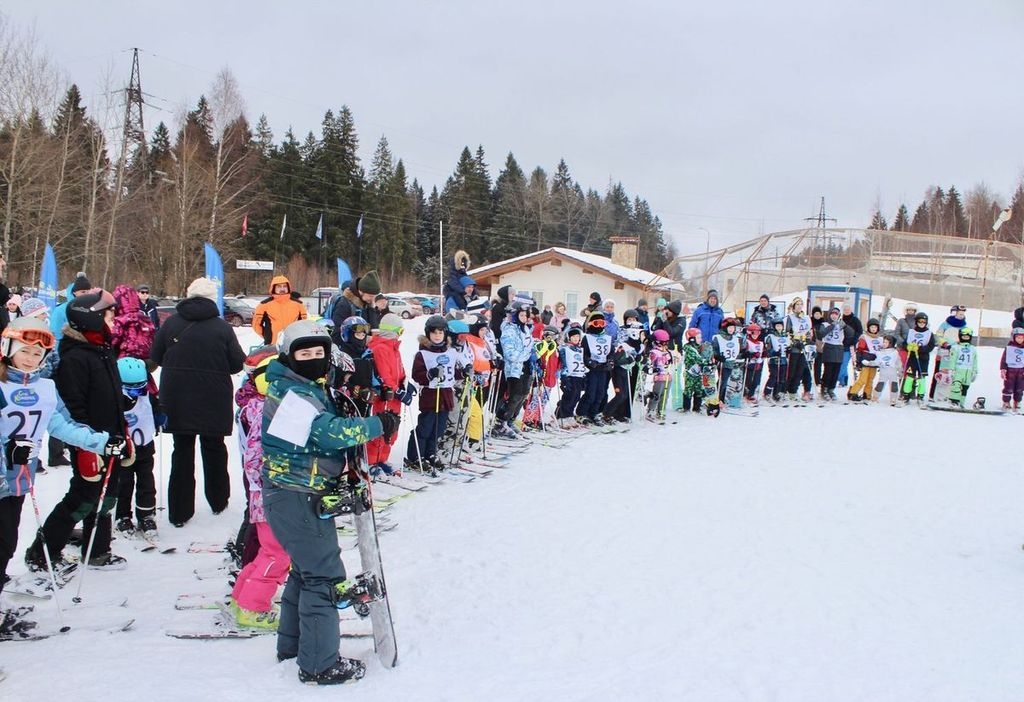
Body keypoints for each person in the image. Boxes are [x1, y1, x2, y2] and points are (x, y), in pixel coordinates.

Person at [260, 319, 397, 685]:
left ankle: (294, 647)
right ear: (289, 357)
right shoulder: (290, 395)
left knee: (305, 573)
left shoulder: (303, 388)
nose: (312, 359)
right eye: (304, 353)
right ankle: (320, 664)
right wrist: (377, 423)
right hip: (294, 494)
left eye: (318, 353)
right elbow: (327, 432)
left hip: (296, 493)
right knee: (323, 576)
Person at [0, 317, 113, 603]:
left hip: (17, 482)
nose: (30, 359)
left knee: (6, 544)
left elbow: (62, 426)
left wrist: (101, 441)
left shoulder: (45, 389)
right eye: (24, 350)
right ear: (7, 347)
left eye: (37, 353)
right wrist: (7, 449)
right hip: (5, 473)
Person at [25, 290, 132, 572]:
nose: (114, 320)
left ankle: (97, 550)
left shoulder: (102, 349)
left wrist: (122, 424)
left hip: (113, 437)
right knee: (82, 499)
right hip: (90, 440)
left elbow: (108, 394)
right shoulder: (76, 357)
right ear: (92, 320)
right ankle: (43, 552)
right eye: (109, 315)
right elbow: (73, 408)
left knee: (107, 496)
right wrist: (86, 446)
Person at [150, 277, 245, 527]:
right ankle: (218, 500)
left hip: (177, 395)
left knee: (181, 451)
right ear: (212, 298)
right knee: (214, 449)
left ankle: (179, 512)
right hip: (213, 396)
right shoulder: (222, 328)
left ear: (189, 295)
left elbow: (156, 356)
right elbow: (237, 363)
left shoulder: (171, 324)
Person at [229, 348, 287, 629]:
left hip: (262, 493)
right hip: (269, 493)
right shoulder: (264, 409)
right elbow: (256, 457)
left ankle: (242, 597)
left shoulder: (255, 404)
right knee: (278, 553)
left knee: (268, 549)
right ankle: (253, 607)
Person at [113, 357, 163, 539]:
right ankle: (122, 516)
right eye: (131, 389)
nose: (136, 393)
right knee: (124, 483)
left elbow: (156, 408)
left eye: (140, 388)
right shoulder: (113, 400)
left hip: (145, 447)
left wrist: (160, 417)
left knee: (146, 483)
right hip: (124, 451)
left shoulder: (146, 397)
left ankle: (146, 515)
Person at [405, 315, 456, 469]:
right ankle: (416, 455)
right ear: (428, 334)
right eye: (434, 333)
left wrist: (464, 371)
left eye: (440, 333)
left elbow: (453, 371)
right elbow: (417, 375)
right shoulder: (423, 354)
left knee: (439, 428)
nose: (437, 336)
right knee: (426, 427)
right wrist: (430, 374)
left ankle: (431, 453)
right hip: (430, 395)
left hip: (445, 395)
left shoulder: (450, 352)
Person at [366, 314, 409, 476]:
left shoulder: (394, 348)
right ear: (393, 331)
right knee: (382, 427)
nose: (400, 334)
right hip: (384, 396)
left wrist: (405, 383)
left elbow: (400, 370)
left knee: (392, 428)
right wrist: (395, 389)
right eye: (400, 331)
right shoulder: (380, 348)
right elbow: (384, 374)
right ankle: (372, 461)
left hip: (395, 398)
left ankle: (383, 459)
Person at [493, 302, 536, 436]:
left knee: (523, 395)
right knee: (514, 396)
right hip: (514, 369)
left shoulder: (525, 329)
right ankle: (501, 422)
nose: (524, 318)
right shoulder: (509, 330)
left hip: (526, 366)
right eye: (521, 315)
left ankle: (510, 420)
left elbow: (529, 345)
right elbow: (510, 354)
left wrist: (535, 354)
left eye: (525, 315)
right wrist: (527, 355)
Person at [575, 311, 612, 425]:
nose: (599, 326)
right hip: (592, 370)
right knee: (591, 392)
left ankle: (594, 413)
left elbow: (611, 352)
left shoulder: (607, 338)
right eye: (596, 323)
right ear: (591, 324)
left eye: (602, 323)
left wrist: (610, 361)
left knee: (601, 393)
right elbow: (582, 353)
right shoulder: (587, 338)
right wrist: (589, 361)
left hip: (603, 370)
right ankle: (581, 413)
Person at [328, 270, 381, 345]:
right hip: (348, 351)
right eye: (371, 296)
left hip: (362, 349)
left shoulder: (367, 304)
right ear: (361, 291)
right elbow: (337, 334)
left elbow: (372, 328)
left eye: (375, 297)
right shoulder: (344, 304)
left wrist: (372, 308)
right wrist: (364, 340)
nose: (373, 299)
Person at [252, 275, 307, 346]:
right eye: (279, 286)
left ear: (288, 287)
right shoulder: (263, 305)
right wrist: (267, 336)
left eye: (284, 286)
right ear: (273, 288)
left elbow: (303, 324)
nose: (282, 289)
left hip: (293, 344)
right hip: (272, 345)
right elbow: (256, 324)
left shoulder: (298, 304)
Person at [110, 284, 156, 362]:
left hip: (126, 360)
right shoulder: (144, 318)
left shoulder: (121, 320)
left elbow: (112, 341)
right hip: (146, 358)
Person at [930, 305, 967, 399]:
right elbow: (938, 335)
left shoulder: (964, 326)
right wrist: (944, 343)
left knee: (952, 375)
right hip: (943, 352)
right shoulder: (945, 324)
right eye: (959, 313)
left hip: (955, 354)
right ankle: (933, 395)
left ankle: (949, 395)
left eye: (962, 314)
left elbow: (965, 338)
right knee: (939, 373)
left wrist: (960, 345)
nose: (961, 315)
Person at [816, 307, 852, 402]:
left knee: (836, 371)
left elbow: (851, 334)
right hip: (829, 347)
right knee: (828, 371)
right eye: (832, 314)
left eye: (836, 314)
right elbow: (821, 334)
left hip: (839, 348)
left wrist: (845, 326)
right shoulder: (825, 324)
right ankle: (824, 389)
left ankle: (831, 389)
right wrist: (832, 325)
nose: (834, 316)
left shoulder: (841, 324)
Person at [899, 312, 935, 404]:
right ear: (916, 322)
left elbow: (931, 346)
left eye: (924, 322)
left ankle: (920, 395)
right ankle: (906, 395)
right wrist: (908, 347)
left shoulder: (929, 333)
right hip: (912, 358)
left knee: (921, 377)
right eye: (920, 321)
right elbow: (904, 343)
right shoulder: (911, 332)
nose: (922, 323)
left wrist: (920, 348)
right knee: (910, 377)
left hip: (923, 359)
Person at [555, 323, 587, 428]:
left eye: (577, 337)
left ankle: (569, 415)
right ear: (569, 337)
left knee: (576, 397)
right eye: (573, 337)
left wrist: (584, 375)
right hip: (569, 376)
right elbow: (563, 363)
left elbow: (581, 362)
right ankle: (561, 416)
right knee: (569, 396)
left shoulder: (580, 349)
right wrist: (564, 377)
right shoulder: (565, 348)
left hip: (578, 375)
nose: (575, 339)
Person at [784, 297, 814, 403]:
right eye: (797, 304)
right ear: (794, 306)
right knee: (791, 371)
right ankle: (786, 390)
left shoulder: (806, 318)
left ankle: (793, 391)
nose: (800, 306)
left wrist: (809, 342)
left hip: (803, 347)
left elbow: (809, 332)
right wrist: (794, 342)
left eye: (801, 304)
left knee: (800, 371)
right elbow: (786, 333)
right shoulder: (790, 318)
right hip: (794, 348)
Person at [940, 326, 978, 407]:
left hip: (968, 371)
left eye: (967, 337)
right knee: (956, 385)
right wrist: (951, 369)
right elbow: (952, 359)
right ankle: (954, 401)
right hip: (958, 370)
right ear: (960, 337)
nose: (965, 338)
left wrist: (975, 371)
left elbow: (975, 361)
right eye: (964, 337)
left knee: (965, 387)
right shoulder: (956, 348)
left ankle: (961, 403)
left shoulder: (973, 349)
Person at [848, 319, 883, 402]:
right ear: (868, 328)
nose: (873, 329)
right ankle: (853, 392)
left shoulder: (880, 339)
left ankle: (867, 394)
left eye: (875, 327)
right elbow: (859, 350)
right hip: (865, 360)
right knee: (863, 379)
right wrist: (859, 361)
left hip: (874, 361)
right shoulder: (864, 337)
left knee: (870, 379)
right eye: (872, 327)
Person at [865, 334, 902, 406]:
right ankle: (875, 397)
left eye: (886, 342)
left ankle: (893, 399)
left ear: (891, 344)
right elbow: (877, 362)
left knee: (894, 385)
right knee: (880, 385)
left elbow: (898, 362)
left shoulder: (895, 352)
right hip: (883, 372)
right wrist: (869, 363)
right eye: (884, 342)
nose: (884, 344)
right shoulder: (880, 352)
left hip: (892, 372)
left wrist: (900, 370)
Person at [645, 329, 674, 421]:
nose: (665, 345)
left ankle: (661, 410)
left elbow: (670, 361)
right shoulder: (654, 352)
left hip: (668, 376)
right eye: (663, 343)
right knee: (657, 394)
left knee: (665, 395)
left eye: (666, 343)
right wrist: (654, 368)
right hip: (659, 377)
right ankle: (651, 411)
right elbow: (651, 363)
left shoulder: (667, 351)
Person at [763, 319, 789, 404]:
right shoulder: (771, 336)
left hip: (783, 360)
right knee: (774, 376)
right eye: (777, 326)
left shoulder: (785, 335)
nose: (779, 327)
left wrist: (789, 350)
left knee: (781, 377)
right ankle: (767, 392)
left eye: (780, 326)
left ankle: (777, 393)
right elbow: (768, 348)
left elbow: (788, 345)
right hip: (774, 360)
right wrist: (774, 352)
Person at [999, 327, 1024, 411]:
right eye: (1018, 337)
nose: (1020, 339)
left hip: (1021, 372)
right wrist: (1003, 369)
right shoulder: (1009, 348)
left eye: (1022, 338)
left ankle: (1017, 402)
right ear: (1013, 337)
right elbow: (1004, 359)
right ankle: (1006, 402)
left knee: (1020, 388)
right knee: (1008, 387)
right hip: (1010, 371)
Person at [838, 304, 862, 387]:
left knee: (844, 363)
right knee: (840, 363)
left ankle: (839, 378)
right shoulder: (841, 320)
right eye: (845, 310)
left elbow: (859, 331)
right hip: (840, 344)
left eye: (848, 309)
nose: (847, 311)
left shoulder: (855, 320)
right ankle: (843, 380)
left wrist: (854, 341)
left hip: (850, 346)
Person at [742, 323, 765, 403]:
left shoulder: (760, 343)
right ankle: (746, 393)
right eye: (753, 333)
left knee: (756, 380)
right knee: (748, 380)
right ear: (749, 333)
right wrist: (751, 354)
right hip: (750, 364)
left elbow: (762, 352)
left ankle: (751, 394)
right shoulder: (747, 342)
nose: (755, 335)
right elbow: (744, 352)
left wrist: (764, 354)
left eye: (757, 333)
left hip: (758, 364)